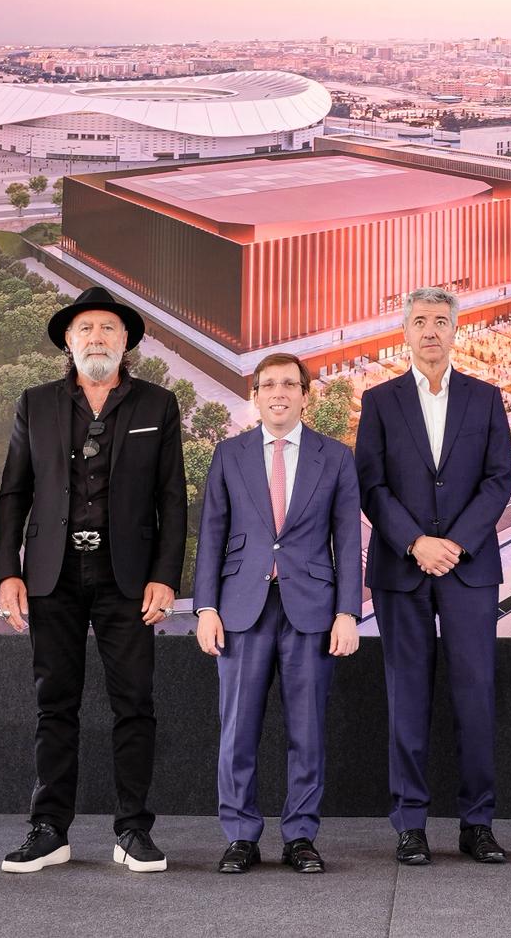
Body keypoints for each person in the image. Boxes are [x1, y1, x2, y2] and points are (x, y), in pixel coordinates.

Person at [0, 286, 187, 874]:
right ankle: (49, 829)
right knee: (55, 705)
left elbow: (172, 500)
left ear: (125, 341)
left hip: (126, 578)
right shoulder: (37, 402)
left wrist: (165, 577)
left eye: (108, 329)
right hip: (53, 574)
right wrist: (7, 571)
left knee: (134, 705)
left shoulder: (157, 404)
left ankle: (132, 831)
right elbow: (15, 493)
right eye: (85, 329)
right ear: (68, 342)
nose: (97, 337)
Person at [355, 287, 511, 866]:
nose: (430, 331)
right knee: (408, 698)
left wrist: (456, 544)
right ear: (405, 331)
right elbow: (371, 485)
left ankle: (478, 823)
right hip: (403, 568)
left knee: (475, 697)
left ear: (455, 331)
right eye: (419, 321)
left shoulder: (487, 397)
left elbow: (499, 480)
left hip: (469, 571)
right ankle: (411, 824)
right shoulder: (380, 400)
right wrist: (417, 542)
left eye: (441, 322)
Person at [193, 353, 362, 875]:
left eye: (290, 384)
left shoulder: (334, 457)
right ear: (257, 395)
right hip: (241, 609)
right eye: (269, 385)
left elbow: (348, 538)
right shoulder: (229, 454)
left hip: (311, 612)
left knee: (306, 732)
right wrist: (205, 607)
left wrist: (347, 613)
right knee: (237, 729)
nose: (279, 393)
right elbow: (212, 536)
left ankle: (301, 836)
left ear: (305, 395)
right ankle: (241, 835)